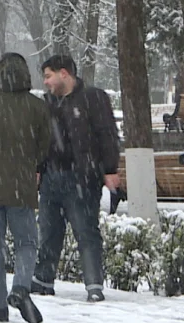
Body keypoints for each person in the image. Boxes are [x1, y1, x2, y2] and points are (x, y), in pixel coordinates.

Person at [30, 55, 120, 302]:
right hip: (51, 177)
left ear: (64, 73)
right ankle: (42, 280)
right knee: (48, 232)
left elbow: (108, 134)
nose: (46, 82)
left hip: (82, 178)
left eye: (48, 76)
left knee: (86, 232)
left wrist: (110, 169)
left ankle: (93, 285)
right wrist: (39, 168)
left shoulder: (93, 98)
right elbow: (41, 140)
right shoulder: (48, 103)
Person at [0, 53, 51, 323]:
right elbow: (44, 147)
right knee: (26, 243)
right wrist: (27, 163)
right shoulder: (37, 107)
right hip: (21, 186)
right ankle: (20, 288)